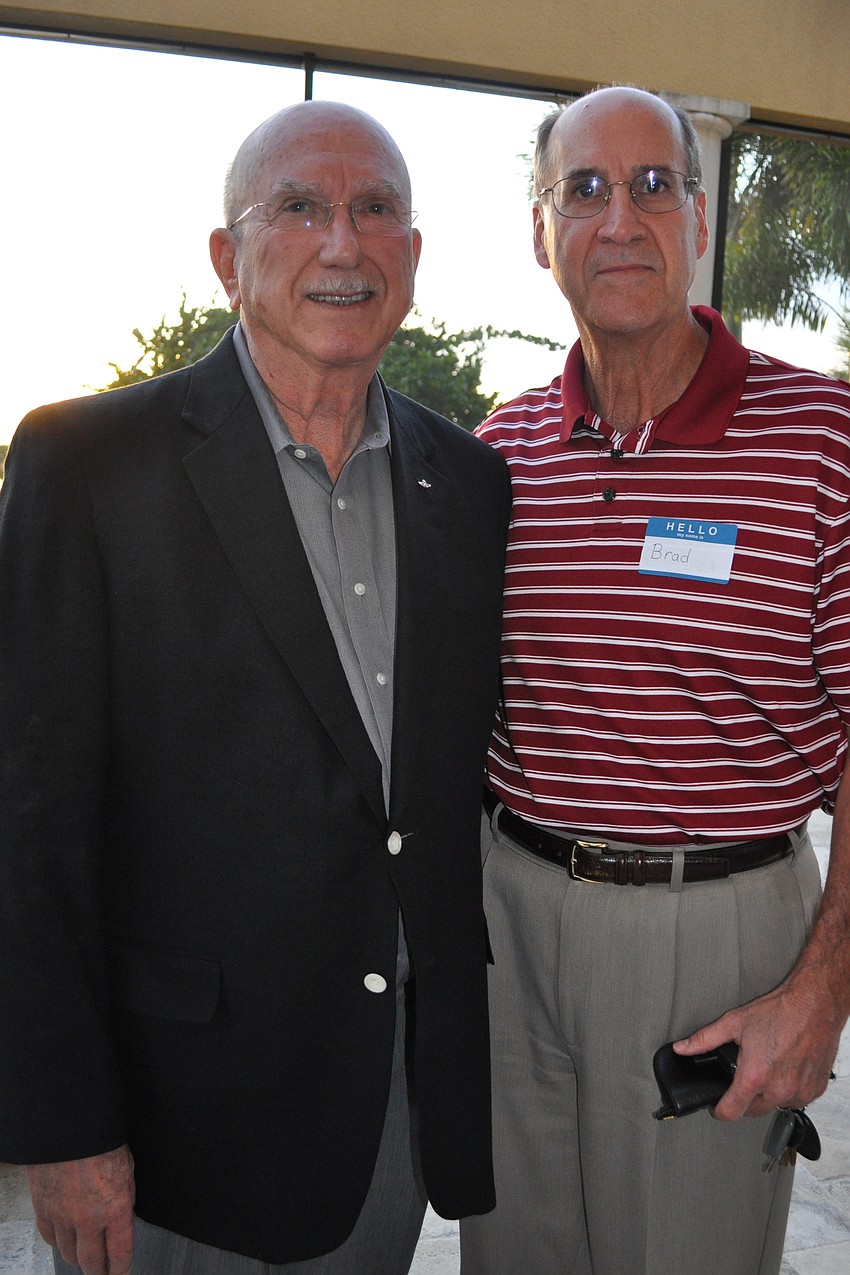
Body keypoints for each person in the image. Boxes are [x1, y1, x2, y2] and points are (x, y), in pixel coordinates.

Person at [0, 100, 511, 1275]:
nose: (343, 244)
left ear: (415, 260)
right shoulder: (87, 464)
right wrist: (65, 1126)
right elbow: (27, 826)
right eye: (300, 208)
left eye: (376, 210)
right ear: (229, 259)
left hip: (392, 1111)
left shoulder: (470, 485)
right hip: (184, 1129)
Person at [458, 85, 850, 1275]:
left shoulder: (821, 440)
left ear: (695, 219)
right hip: (508, 929)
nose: (617, 217)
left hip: (716, 941)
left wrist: (818, 998)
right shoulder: (497, 454)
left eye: (652, 185)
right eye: (583, 188)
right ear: (541, 233)